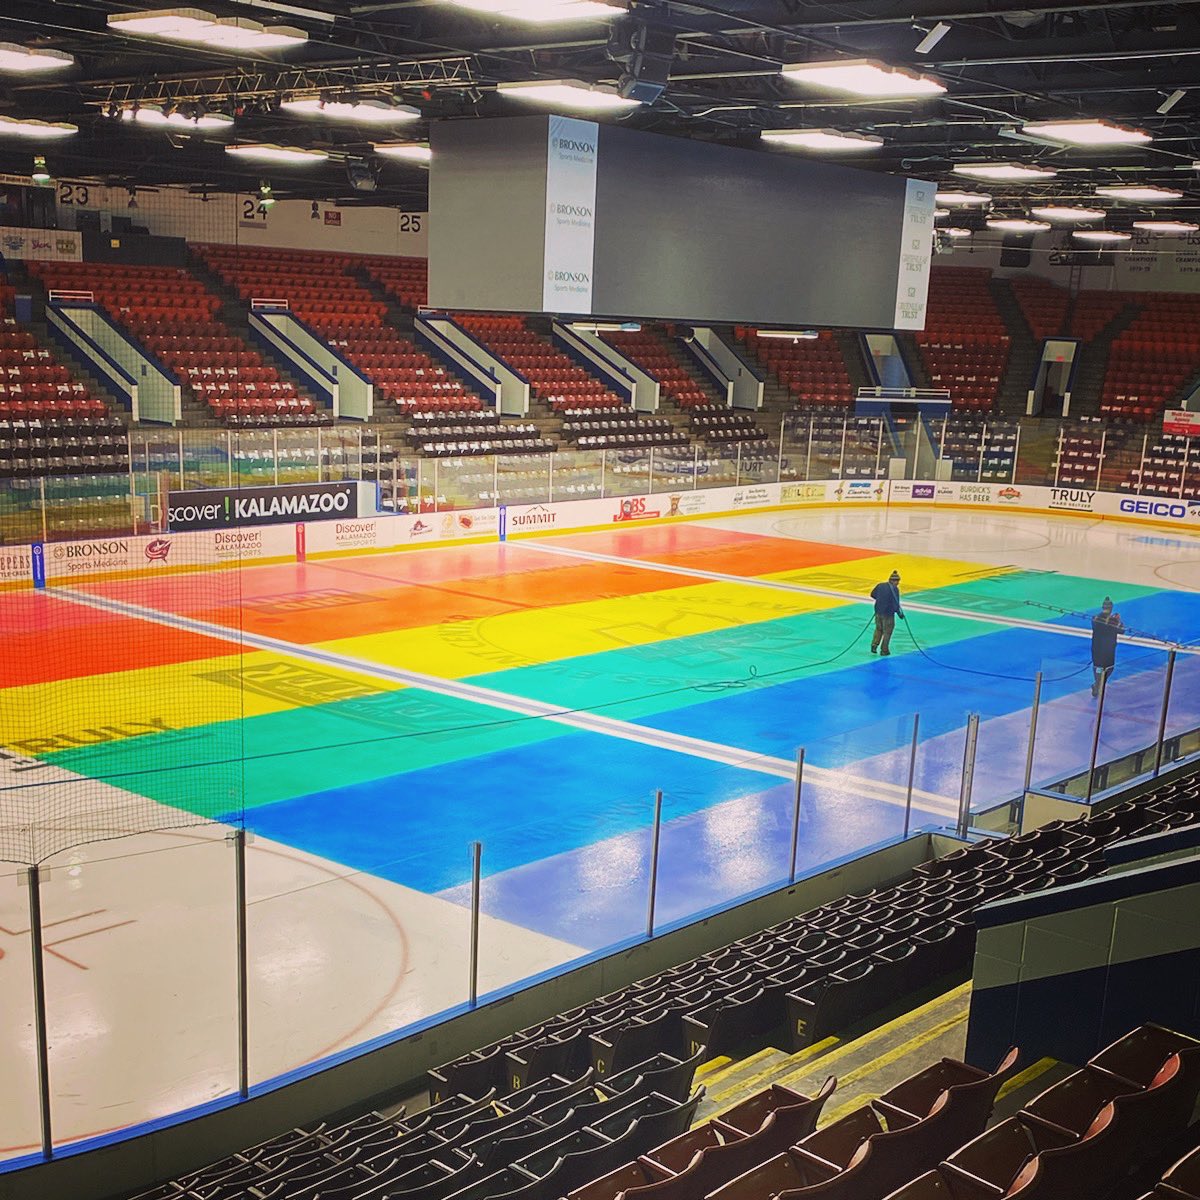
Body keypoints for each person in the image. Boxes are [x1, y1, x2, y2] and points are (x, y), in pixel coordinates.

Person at [1091, 597, 1125, 697]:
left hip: (1096, 649)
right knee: (1108, 668)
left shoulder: (1095, 618)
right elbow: (1122, 630)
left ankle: (1098, 684)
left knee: (1098, 668)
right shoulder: (1114, 621)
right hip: (1108, 650)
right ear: (1111, 608)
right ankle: (1099, 685)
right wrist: (1118, 620)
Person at [870, 569, 904, 656]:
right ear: (893, 581)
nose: (898, 583)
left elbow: (872, 594)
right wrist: (899, 613)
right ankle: (884, 650)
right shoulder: (895, 589)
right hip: (888, 614)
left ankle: (874, 645)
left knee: (878, 629)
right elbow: (895, 603)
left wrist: (880, 601)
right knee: (887, 632)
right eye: (897, 581)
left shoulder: (880, 585)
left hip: (878, 612)